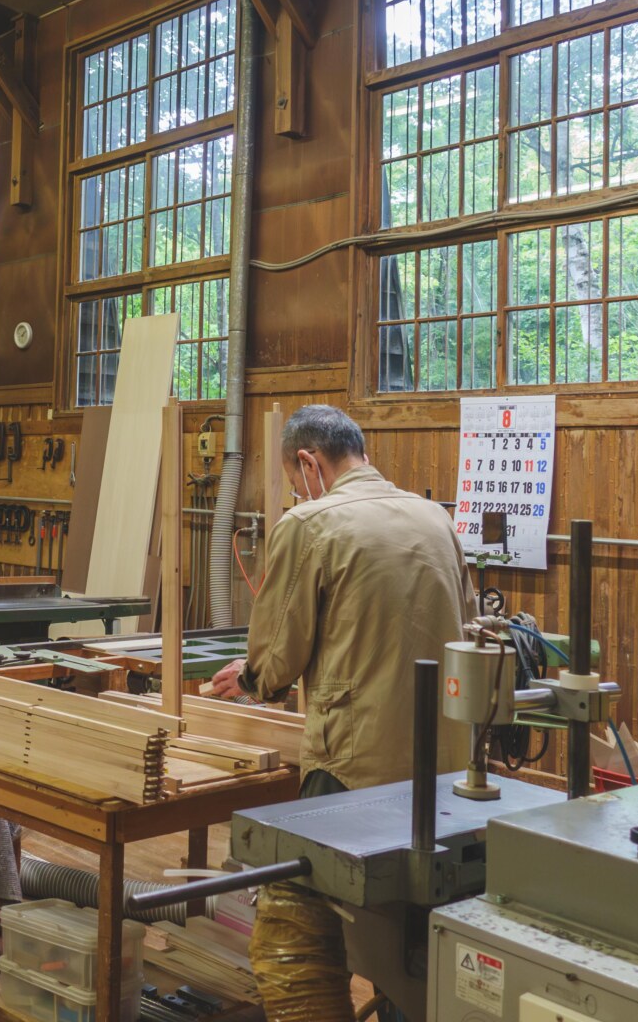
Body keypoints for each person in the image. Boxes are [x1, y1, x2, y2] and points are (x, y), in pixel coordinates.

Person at [207, 404, 471, 1022]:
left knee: (292, 930)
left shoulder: (311, 523)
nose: (296, 491)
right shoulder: (436, 518)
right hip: (447, 772)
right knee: (412, 934)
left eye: (294, 478)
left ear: (308, 462)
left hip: (352, 768)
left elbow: (277, 659)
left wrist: (249, 678)